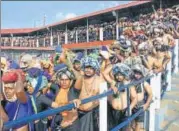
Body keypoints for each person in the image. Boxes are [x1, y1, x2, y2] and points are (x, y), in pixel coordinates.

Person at [103, 63, 137, 130]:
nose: (118, 77)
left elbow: (135, 98)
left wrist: (129, 108)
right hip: (113, 111)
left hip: (124, 111)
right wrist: (114, 65)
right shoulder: (113, 82)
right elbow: (104, 73)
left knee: (124, 129)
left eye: (120, 75)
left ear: (124, 75)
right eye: (117, 75)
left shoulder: (128, 84)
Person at [74, 55, 105, 131]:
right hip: (80, 112)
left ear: (95, 70)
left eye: (91, 68)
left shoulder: (100, 80)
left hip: (93, 113)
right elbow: (74, 92)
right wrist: (75, 99)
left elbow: (104, 94)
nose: (88, 70)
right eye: (87, 68)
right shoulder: (81, 78)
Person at [52, 64, 81, 131]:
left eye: (66, 80)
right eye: (62, 80)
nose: (64, 82)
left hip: (71, 123)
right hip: (59, 121)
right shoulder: (57, 88)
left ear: (70, 81)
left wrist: (70, 67)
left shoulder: (73, 90)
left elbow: (80, 78)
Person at [131, 64, 153, 131]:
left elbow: (151, 94)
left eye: (139, 74)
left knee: (138, 123)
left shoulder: (144, 83)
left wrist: (146, 104)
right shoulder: (131, 82)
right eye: (135, 73)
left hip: (140, 105)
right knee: (131, 123)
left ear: (142, 74)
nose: (136, 75)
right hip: (131, 105)